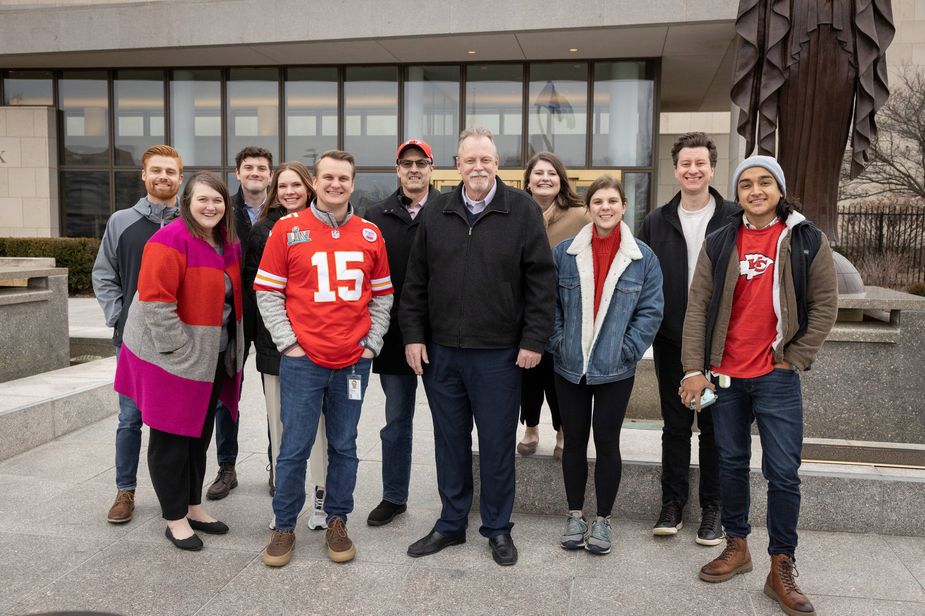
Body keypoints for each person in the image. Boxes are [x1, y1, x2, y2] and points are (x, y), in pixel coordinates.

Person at [680, 155, 837, 616]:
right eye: (746, 184)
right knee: (730, 464)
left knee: (784, 473)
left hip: (776, 377)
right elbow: (697, 307)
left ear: (779, 190)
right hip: (725, 376)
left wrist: (795, 358)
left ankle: (781, 565)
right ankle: (738, 546)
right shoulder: (720, 241)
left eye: (765, 182)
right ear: (737, 193)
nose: (755, 190)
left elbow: (825, 304)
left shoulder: (807, 239)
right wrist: (694, 368)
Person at [400, 127, 556, 567]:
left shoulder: (523, 211)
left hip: (500, 355)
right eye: (470, 160)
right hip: (442, 354)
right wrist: (413, 335)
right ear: (456, 165)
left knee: (495, 443)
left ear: (497, 164)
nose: (478, 168)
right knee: (450, 442)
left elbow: (541, 283)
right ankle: (451, 523)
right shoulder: (436, 212)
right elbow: (415, 282)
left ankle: (498, 527)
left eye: (486, 160)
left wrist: (533, 340)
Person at [255, 150, 393, 567]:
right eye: (328, 177)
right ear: (315, 182)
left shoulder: (370, 233)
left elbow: (383, 296)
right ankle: (284, 525)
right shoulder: (287, 229)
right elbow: (267, 291)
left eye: (344, 178)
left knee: (344, 446)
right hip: (302, 361)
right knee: (294, 446)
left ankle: (337, 519)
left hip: (353, 361)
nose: (336, 184)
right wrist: (288, 343)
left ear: (353, 183)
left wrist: (371, 345)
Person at [113, 172, 244, 551]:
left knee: (198, 436)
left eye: (217, 200)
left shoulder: (227, 244)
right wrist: (179, 352)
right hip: (172, 358)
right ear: (187, 203)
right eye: (202, 199)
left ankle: (193, 505)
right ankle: (174, 519)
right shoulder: (169, 239)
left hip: (212, 356)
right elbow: (155, 302)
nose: (211, 206)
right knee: (171, 438)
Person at [549, 175, 663, 555]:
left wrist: (626, 349)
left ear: (624, 206)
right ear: (588, 208)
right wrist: (560, 343)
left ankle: (603, 520)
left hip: (615, 369)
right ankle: (575, 514)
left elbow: (650, 312)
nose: (605, 208)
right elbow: (549, 307)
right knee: (575, 441)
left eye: (612, 201)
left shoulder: (642, 258)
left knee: (608, 441)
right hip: (570, 367)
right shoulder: (565, 252)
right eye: (598, 201)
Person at [638, 132, 739, 544]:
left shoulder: (734, 217)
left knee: (715, 426)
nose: (693, 170)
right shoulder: (656, 221)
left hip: (721, 345)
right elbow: (642, 279)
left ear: (712, 168)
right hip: (670, 341)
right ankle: (673, 503)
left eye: (700, 163)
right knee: (675, 425)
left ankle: (713, 509)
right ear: (675, 169)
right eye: (685, 164)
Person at [92, 144, 182, 524]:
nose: (163, 177)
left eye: (171, 172)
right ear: (143, 175)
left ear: (181, 178)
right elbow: (104, 274)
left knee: (172, 422)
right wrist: (119, 317)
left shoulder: (190, 223)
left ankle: (173, 495)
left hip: (178, 344)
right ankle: (125, 490)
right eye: (156, 170)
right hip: (131, 343)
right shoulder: (121, 221)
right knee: (130, 419)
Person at [243, 161, 328, 531]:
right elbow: (256, 292)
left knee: (322, 433)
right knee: (282, 433)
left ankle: (322, 503)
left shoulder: (326, 226)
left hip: (322, 351)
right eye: (283, 186)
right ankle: (284, 508)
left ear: (309, 188)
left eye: (296, 185)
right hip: (277, 350)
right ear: (275, 191)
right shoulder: (264, 230)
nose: (290, 191)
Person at [363, 139, 435, 527]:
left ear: (431, 168)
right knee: (396, 422)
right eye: (406, 163)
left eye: (420, 163)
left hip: (439, 337)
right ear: (397, 169)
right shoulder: (376, 217)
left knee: (450, 423)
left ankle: (455, 500)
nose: (414, 169)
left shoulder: (448, 210)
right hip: (393, 340)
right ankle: (394, 496)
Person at [208, 146, 274, 500]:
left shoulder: (282, 210)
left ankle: (277, 465)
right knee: (225, 394)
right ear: (238, 173)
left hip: (272, 318)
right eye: (248, 167)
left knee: (276, 397)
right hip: (231, 315)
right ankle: (227, 466)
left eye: (261, 168)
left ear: (270, 173)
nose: (255, 173)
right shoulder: (222, 210)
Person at [517, 152, 589, 460]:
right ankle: (531, 428)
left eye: (551, 173)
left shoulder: (580, 215)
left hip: (566, 311)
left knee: (559, 376)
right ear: (528, 180)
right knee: (528, 374)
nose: (545, 178)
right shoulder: (517, 211)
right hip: (524, 309)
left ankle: (562, 430)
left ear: (561, 180)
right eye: (538, 173)